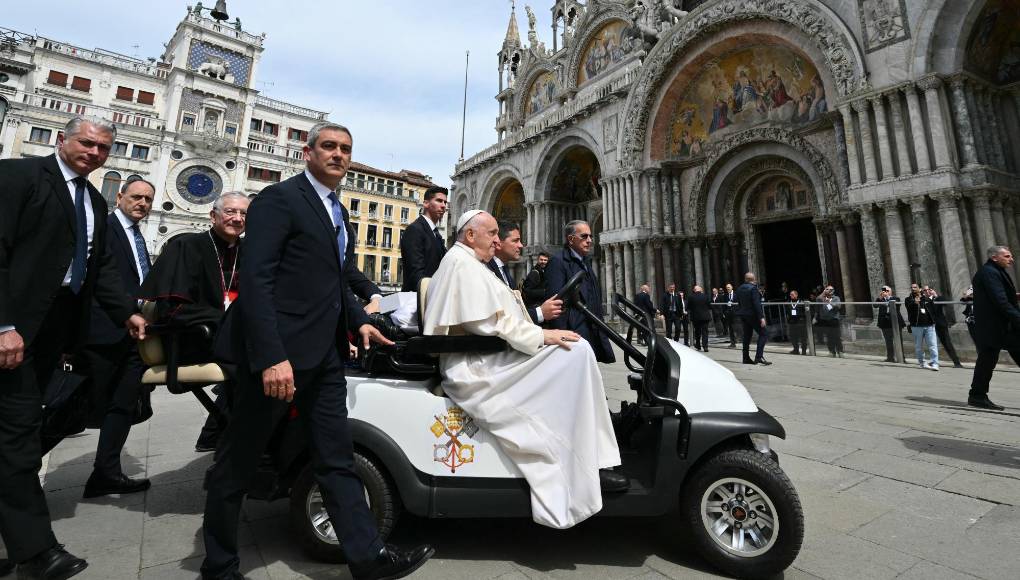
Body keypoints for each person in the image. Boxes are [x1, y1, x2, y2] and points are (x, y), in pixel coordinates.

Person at [200, 122, 432, 580]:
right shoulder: (279, 200)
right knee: (238, 463)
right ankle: (219, 565)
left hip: (325, 359)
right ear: (308, 153)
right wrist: (271, 357)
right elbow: (257, 282)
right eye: (329, 146)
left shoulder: (336, 212)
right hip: (278, 358)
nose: (339, 155)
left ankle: (367, 558)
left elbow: (333, 281)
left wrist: (361, 319)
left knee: (336, 458)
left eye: (346, 149)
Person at [0, 115, 147, 580]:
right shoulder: (18, 176)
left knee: (20, 434)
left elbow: (99, 268)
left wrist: (127, 312)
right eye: (86, 143)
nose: (94, 153)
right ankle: (35, 553)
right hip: (14, 331)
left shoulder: (93, 202)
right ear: (62, 139)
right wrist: (3, 324)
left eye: (103, 148)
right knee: (19, 437)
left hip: (53, 334)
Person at [423, 210, 625, 529]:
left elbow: (497, 318)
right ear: (470, 235)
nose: (496, 239)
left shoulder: (469, 264)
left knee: (577, 351)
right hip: (475, 368)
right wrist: (542, 334)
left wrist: (539, 333)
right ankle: (583, 461)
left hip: (486, 356)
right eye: (491, 233)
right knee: (575, 352)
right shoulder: (460, 264)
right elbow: (488, 322)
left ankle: (595, 457)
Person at [79, 178, 156, 499]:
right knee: (73, 407)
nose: (142, 203)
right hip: (102, 331)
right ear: (120, 196)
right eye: (136, 197)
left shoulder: (139, 236)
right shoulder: (104, 229)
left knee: (122, 406)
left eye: (148, 199)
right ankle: (16, 474)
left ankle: (106, 472)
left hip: (133, 337)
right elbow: (94, 280)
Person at [545, 221, 615, 363]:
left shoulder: (585, 261)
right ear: (571, 239)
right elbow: (556, 304)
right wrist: (563, 337)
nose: (589, 240)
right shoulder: (558, 262)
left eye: (590, 236)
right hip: (575, 332)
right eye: (584, 236)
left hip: (592, 327)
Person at [968, 246, 1020, 410]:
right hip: (999, 327)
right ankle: (977, 396)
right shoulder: (990, 272)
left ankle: (977, 395)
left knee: (986, 361)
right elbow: (1000, 301)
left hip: (993, 327)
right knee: (986, 360)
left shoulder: (993, 270)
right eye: (1007, 256)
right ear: (994, 257)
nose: (1011, 259)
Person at [486, 220, 562, 324]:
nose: (521, 245)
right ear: (498, 244)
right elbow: (501, 318)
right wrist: (540, 312)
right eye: (515, 241)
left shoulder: (504, 270)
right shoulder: (486, 271)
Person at [400, 185, 447, 292]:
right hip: (418, 300)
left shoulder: (436, 234)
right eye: (439, 201)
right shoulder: (414, 230)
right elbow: (415, 273)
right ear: (426, 203)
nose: (443, 205)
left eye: (445, 202)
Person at [735, 273, 771, 365]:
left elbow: (738, 302)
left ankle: (745, 357)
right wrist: (761, 317)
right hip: (752, 315)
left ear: (745, 279)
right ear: (754, 279)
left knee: (747, 336)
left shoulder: (739, 288)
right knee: (764, 333)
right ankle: (759, 357)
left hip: (743, 315)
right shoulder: (753, 288)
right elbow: (756, 304)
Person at [905, 282, 940, 371]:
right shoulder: (908, 299)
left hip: (929, 326)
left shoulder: (926, 299)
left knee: (932, 345)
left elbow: (934, 309)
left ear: (920, 289)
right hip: (916, 326)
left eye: (915, 287)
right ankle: (922, 363)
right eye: (912, 287)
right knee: (919, 346)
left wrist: (933, 296)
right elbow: (908, 307)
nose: (913, 289)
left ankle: (935, 363)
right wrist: (914, 302)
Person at [927, 286, 963, 368]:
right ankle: (934, 361)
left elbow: (945, 302)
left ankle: (957, 362)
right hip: (930, 325)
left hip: (940, 324)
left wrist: (936, 295)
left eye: (929, 289)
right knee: (932, 344)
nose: (927, 291)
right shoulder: (925, 300)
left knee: (947, 343)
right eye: (925, 290)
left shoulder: (938, 298)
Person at [876, 285, 905, 362]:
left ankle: (902, 358)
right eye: (883, 291)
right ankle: (890, 357)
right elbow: (875, 305)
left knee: (899, 341)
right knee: (888, 341)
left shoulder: (895, 298)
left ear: (890, 292)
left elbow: (897, 305)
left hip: (896, 323)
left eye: (886, 291)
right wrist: (880, 298)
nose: (885, 292)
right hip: (885, 323)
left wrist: (888, 298)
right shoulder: (880, 300)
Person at [816, 285, 843, 357]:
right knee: (829, 336)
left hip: (834, 319)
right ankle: (832, 351)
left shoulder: (836, 298)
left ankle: (840, 351)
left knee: (836, 336)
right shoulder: (822, 298)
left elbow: (839, 306)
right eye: (828, 289)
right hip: (825, 319)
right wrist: (823, 293)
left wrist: (830, 302)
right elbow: (817, 299)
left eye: (831, 289)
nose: (829, 291)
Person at [688, 285, 713, 351]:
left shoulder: (691, 297)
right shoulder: (705, 296)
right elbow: (709, 306)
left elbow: (688, 307)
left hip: (696, 317)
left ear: (694, 290)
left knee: (697, 331)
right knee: (705, 332)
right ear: (700, 290)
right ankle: (705, 346)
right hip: (705, 317)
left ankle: (698, 345)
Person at [786, 290, 807, 355]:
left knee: (803, 337)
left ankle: (804, 351)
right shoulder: (789, 302)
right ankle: (796, 350)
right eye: (790, 294)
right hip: (792, 322)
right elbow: (787, 312)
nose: (790, 295)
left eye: (792, 294)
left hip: (800, 322)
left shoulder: (801, 302)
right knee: (793, 337)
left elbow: (805, 312)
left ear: (796, 295)